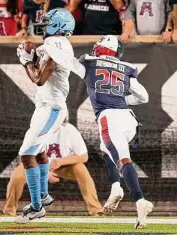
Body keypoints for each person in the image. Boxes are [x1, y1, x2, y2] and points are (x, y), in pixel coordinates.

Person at [43, 35, 154, 229]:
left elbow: (63, 59)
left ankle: (140, 200)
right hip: (129, 119)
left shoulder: (90, 64)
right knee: (107, 149)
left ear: (102, 48)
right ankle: (116, 187)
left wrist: (47, 42)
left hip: (110, 118)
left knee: (123, 160)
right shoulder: (126, 68)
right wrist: (120, 99)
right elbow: (143, 97)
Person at [15, 8, 75, 223]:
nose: (44, 25)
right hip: (46, 106)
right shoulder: (56, 45)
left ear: (59, 26)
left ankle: (36, 208)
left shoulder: (55, 46)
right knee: (39, 153)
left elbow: (39, 78)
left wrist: (26, 61)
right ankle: (43, 195)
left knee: (26, 154)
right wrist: (30, 57)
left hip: (51, 108)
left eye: (49, 22)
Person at [3, 121, 103, 217]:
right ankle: (9, 211)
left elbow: (83, 156)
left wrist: (60, 162)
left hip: (63, 166)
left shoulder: (70, 130)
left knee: (81, 170)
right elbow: (27, 156)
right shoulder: (35, 131)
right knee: (17, 176)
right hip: (36, 165)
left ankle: (96, 210)